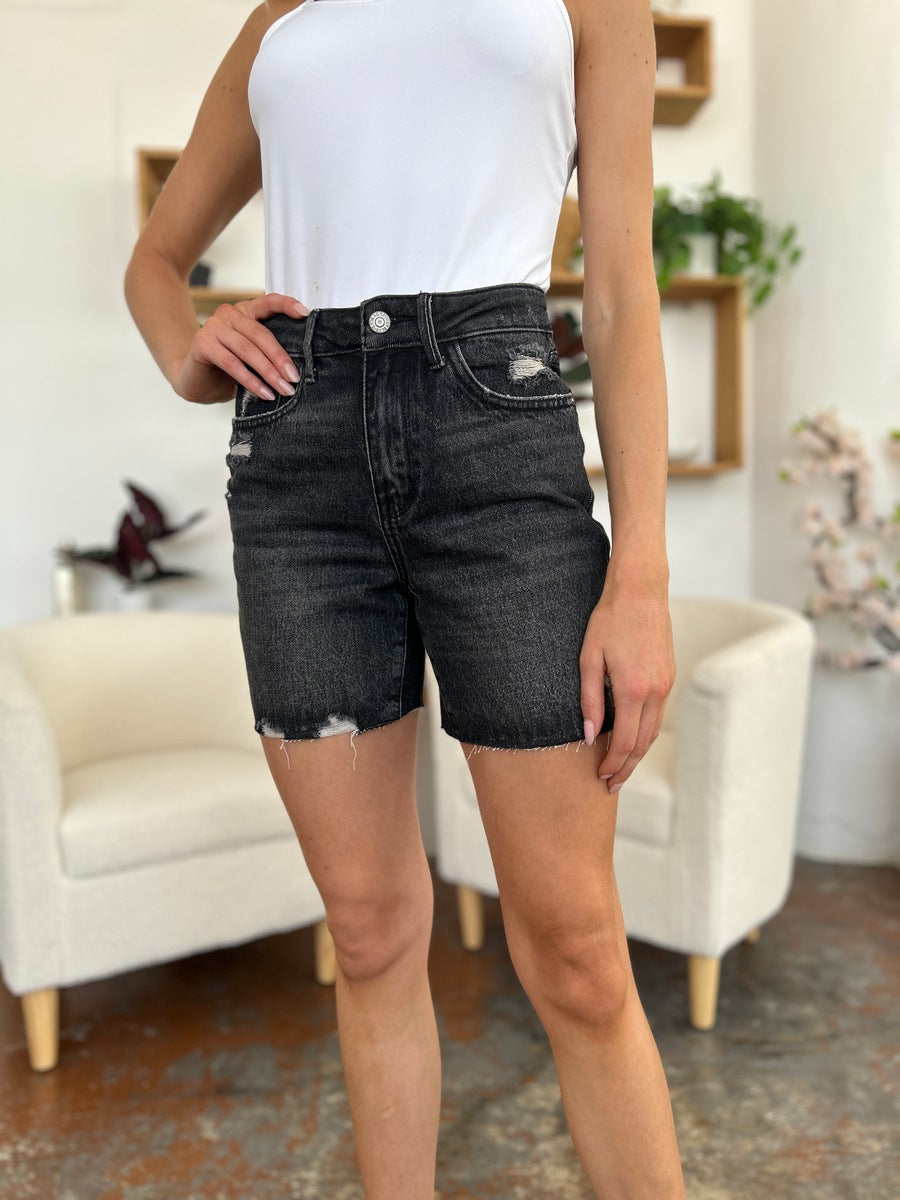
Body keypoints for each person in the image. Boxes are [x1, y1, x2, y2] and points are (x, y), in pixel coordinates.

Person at [124, 0, 684, 1195]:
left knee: (578, 952)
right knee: (370, 931)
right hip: (298, 469)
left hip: (500, 450)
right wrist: (188, 349)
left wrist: (640, 574)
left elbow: (625, 291)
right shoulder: (283, 15)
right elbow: (155, 258)